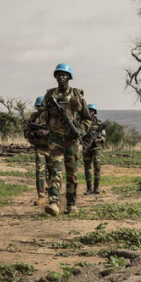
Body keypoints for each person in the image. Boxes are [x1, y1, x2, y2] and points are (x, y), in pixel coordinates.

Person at [41, 63, 91, 216]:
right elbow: (40, 116)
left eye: (64, 75)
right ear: (55, 77)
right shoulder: (49, 96)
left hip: (73, 141)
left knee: (72, 174)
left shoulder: (77, 95)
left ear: (69, 77)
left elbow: (87, 119)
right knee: (55, 171)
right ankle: (54, 202)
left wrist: (79, 133)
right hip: (56, 139)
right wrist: (50, 113)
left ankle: (71, 204)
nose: (61, 77)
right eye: (59, 74)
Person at [23, 96, 51, 206]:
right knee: (40, 171)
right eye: (39, 107)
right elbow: (26, 133)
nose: (41, 109)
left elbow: (59, 132)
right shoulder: (33, 118)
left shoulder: (52, 117)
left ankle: (54, 197)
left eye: (42, 107)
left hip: (52, 148)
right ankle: (41, 197)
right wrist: (35, 133)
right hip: (40, 148)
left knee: (53, 173)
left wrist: (47, 133)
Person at [83, 104, 106, 195]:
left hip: (96, 148)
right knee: (87, 168)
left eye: (92, 110)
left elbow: (104, 137)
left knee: (97, 166)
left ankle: (96, 188)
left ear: (95, 112)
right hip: (86, 148)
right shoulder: (83, 123)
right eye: (89, 110)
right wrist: (84, 142)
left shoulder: (99, 124)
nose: (90, 112)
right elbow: (80, 135)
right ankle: (89, 188)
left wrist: (97, 140)